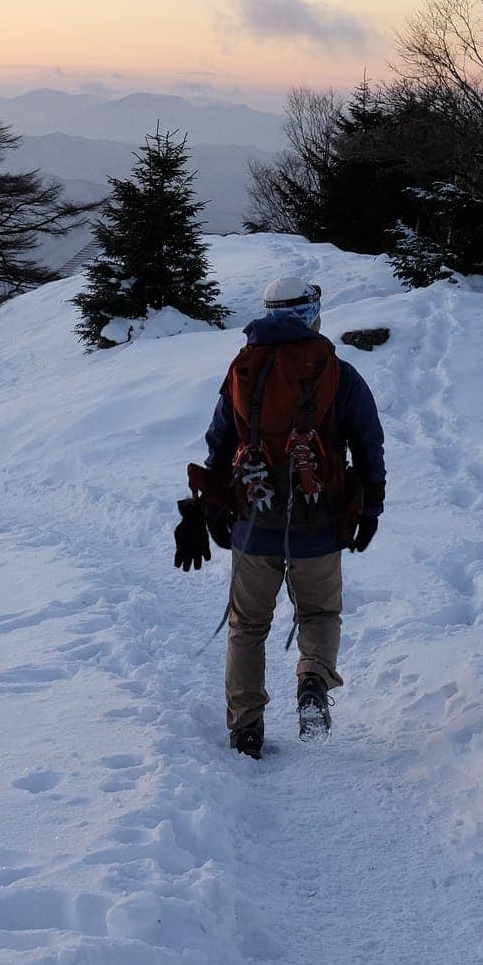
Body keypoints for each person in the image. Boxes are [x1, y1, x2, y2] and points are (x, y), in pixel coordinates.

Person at [191, 275, 385, 759]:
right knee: (319, 612)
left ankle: (246, 727)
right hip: (319, 523)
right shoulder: (338, 372)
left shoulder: (242, 368)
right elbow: (368, 443)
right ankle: (314, 681)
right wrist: (371, 507)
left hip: (253, 522)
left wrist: (214, 505)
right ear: (311, 314)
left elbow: (220, 443)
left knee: (248, 625)